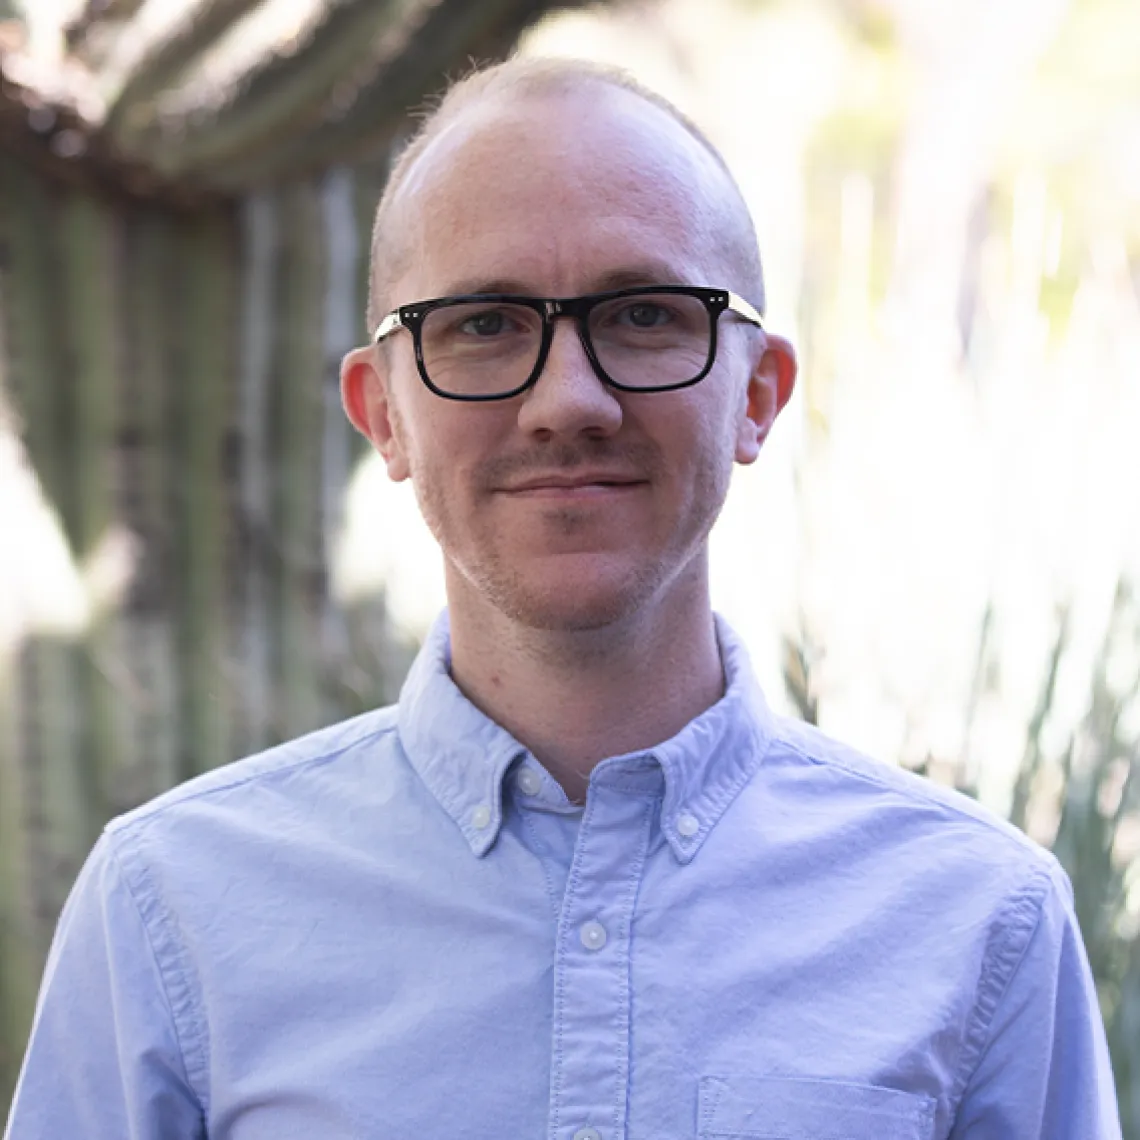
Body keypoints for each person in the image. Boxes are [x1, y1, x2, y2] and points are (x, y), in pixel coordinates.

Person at [4, 57, 1121, 1140]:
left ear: (758, 395)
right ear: (384, 415)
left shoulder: (981, 918)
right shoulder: (171, 908)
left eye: (644, 315)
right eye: (484, 325)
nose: (567, 401)